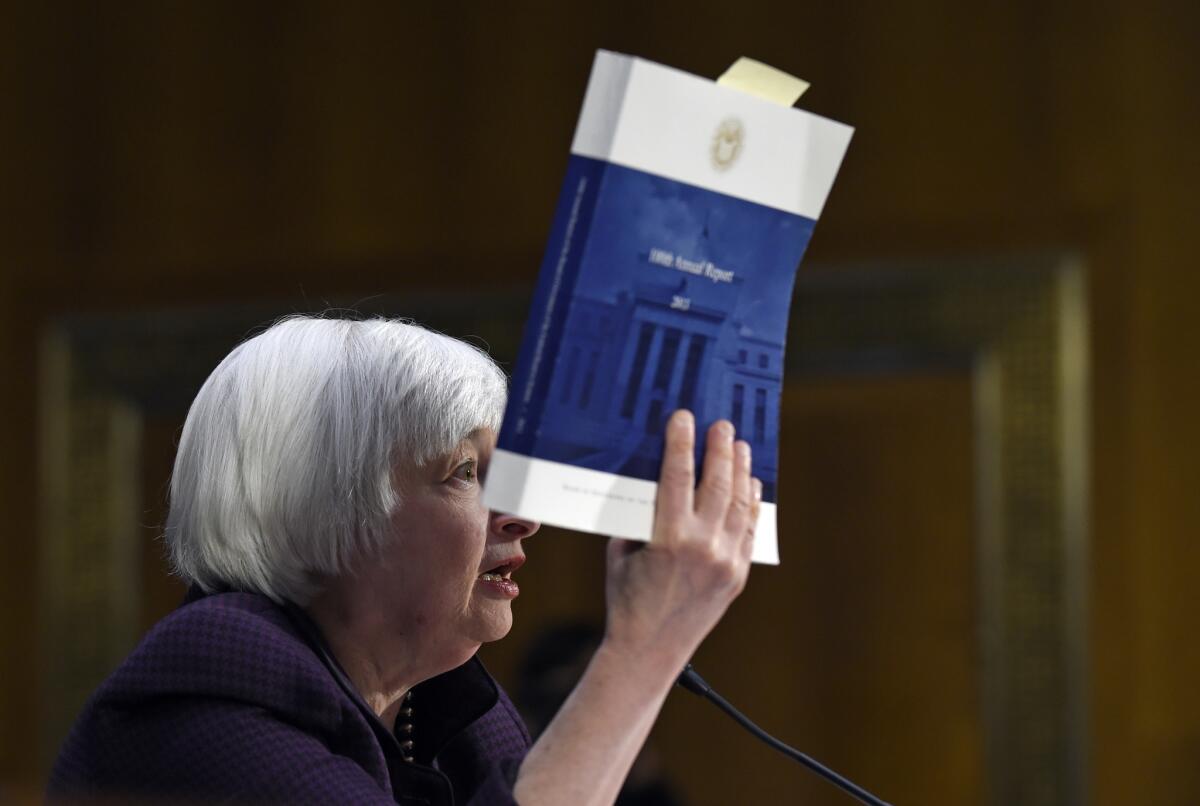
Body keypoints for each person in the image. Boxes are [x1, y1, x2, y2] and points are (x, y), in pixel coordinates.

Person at [48, 315, 761, 805]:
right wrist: (644, 645)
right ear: (323, 503)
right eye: (463, 473)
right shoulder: (207, 695)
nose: (521, 515)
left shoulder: (446, 707)